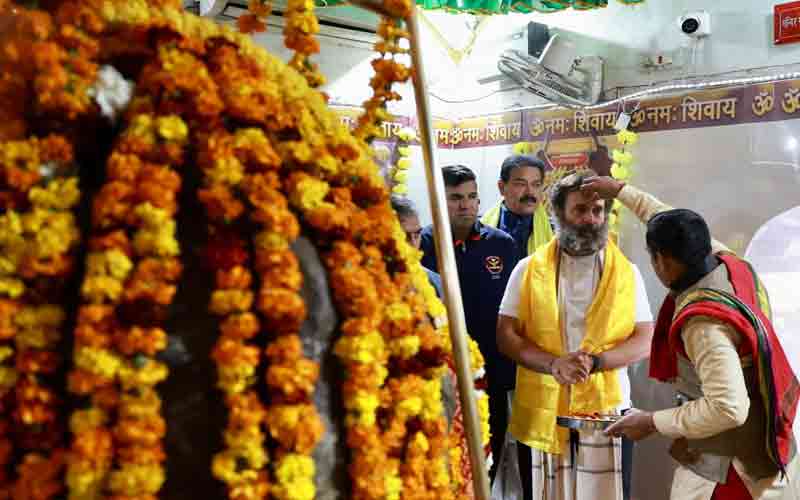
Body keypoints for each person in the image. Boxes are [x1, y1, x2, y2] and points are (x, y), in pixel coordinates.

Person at [582, 176, 800, 500]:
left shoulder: (703, 324)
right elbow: (662, 215)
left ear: (662, 260)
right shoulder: (732, 266)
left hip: (732, 472)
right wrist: (621, 191)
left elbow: (728, 408)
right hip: (768, 447)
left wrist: (653, 421)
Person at [497, 170, 654, 500]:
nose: (591, 219)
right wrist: (554, 364)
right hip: (544, 413)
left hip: (607, 412)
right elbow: (506, 335)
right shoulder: (527, 270)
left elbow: (645, 337)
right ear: (558, 215)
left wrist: (597, 362)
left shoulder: (627, 273)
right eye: (580, 210)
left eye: (598, 211)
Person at [420, 165, 519, 480]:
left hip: (491, 375)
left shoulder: (501, 245)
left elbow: (515, 307)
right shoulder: (420, 244)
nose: (466, 205)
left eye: (472, 197)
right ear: (438, 199)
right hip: (437, 376)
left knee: (485, 462)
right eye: (455, 198)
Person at [481, 155, 554, 259]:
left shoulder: (555, 232)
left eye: (536, 185)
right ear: (501, 187)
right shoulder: (481, 229)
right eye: (521, 184)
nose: (530, 192)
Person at [390, 195, 443, 297]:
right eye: (405, 236)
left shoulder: (436, 283)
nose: (414, 243)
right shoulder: (370, 282)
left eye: (417, 234)